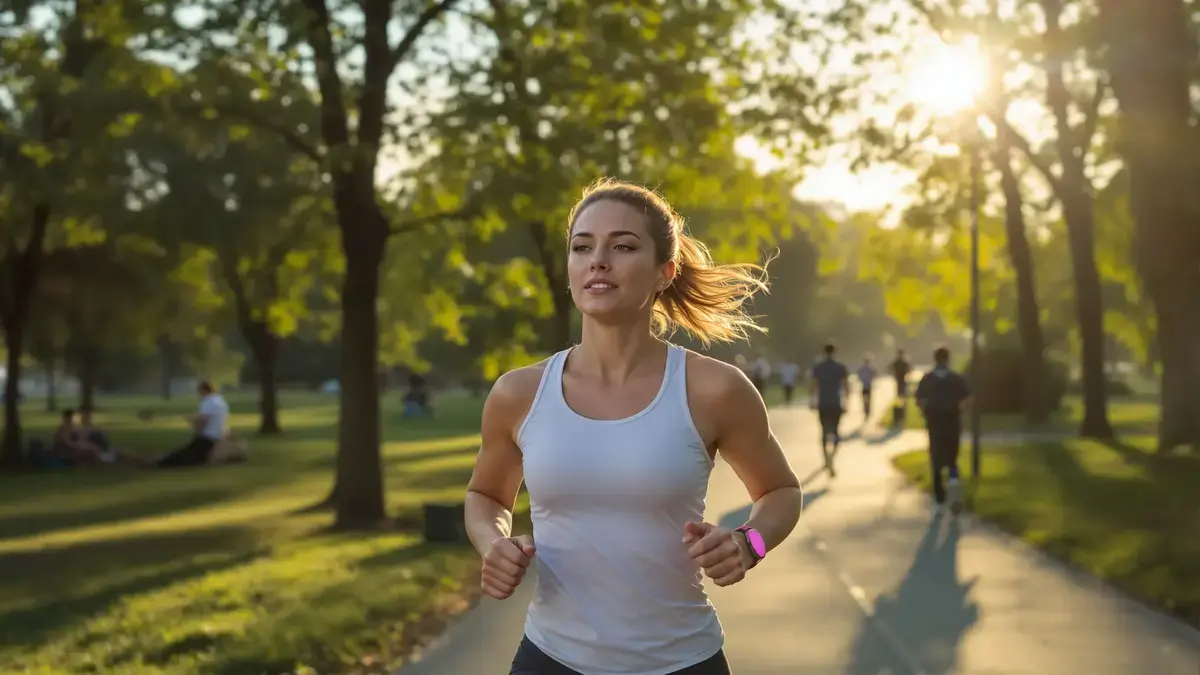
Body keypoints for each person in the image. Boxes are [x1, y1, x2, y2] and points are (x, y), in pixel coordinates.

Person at [465, 179, 804, 675]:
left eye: (622, 246)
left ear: (664, 272)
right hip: (551, 659)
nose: (597, 260)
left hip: (682, 662)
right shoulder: (518, 394)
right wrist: (492, 544)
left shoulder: (714, 389)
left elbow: (781, 490)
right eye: (582, 247)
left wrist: (747, 544)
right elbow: (487, 497)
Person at [915, 346, 972, 514]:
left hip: (934, 421)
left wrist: (925, 412)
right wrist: (960, 409)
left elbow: (919, 400)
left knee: (936, 457)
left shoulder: (928, 378)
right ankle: (954, 488)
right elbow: (968, 398)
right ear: (948, 359)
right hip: (952, 420)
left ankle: (939, 498)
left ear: (935, 359)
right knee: (952, 455)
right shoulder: (956, 378)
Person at [156, 380, 229, 468]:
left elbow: (201, 424)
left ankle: (159, 463)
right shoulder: (219, 400)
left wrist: (190, 420)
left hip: (207, 439)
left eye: (199, 390)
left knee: (180, 458)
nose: (198, 393)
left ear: (203, 390)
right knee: (190, 454)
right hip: (217, 436)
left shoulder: (208, 402)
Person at [809, 343, 850, 477]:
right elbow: (846, 386)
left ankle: (826, 458)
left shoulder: (818, 367)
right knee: (836, 431)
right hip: (835, 402)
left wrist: (812, 400)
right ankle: (832, 456)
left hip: (823, 402)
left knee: (824, 431)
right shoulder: (840, 367)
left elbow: (813, 385)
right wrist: (846, 402)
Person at [890, 348, 913, 429]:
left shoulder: (899, 362)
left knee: (901, 399)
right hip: (901, 382)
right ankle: (900, 417)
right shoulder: (902, 362)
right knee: (901, 399)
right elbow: (909, 370)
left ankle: (900, 417)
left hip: (901, 381)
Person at [857, 356, 878, 422]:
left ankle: (866, 410)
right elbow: (875, 375)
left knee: (864, 399)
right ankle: (867, 410)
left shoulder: (861, 369)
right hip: (868, 385)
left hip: (864, 385)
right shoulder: (871, 368)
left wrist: (862, 380)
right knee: (868, 399)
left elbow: (859, 376)